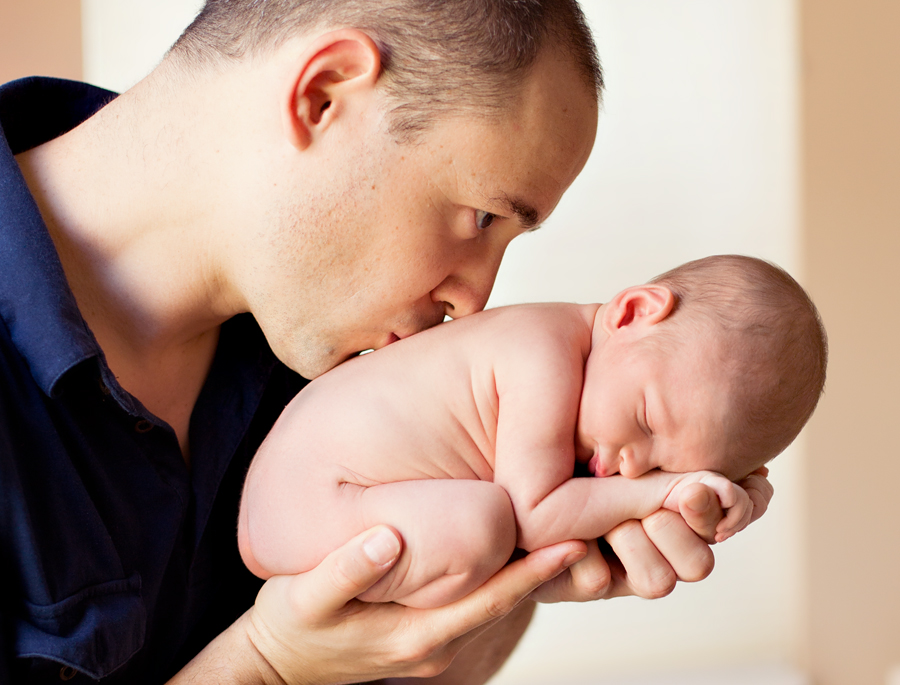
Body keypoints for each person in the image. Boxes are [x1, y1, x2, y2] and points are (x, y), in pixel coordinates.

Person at [0, 1, 775, 683]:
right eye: (479, 218)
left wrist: (527, 560)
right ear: (324, 92)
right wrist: (263, 664)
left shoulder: (322, 347)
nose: (474, 301)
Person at [238, 255, 826, 608]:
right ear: (633, 313)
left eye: (660, 465)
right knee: (485, 524)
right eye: (647, 421)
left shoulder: (575, 364)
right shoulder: (541, 352)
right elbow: (537, 512)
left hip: (308, 505)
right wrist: (662, 492)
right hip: (317, 499)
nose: (629, 463)